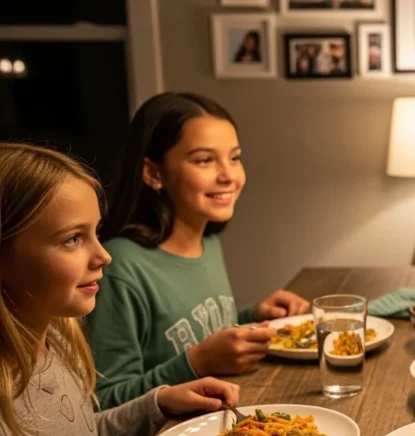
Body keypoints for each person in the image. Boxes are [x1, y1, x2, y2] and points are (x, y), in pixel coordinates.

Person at [0, 142, 242, 436]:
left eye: (96, 232)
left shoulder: (56, 340)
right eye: (73, 239)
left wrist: (157, 403)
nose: (104, 255)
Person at [85, 92, 309, 409]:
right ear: (153, 173)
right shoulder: (119, 266)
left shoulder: (209, 244)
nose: (228, 175)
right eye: (204, 160)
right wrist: (196, 362)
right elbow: (103, 404)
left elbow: (193, 332)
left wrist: (252, 317)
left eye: (234, 157)